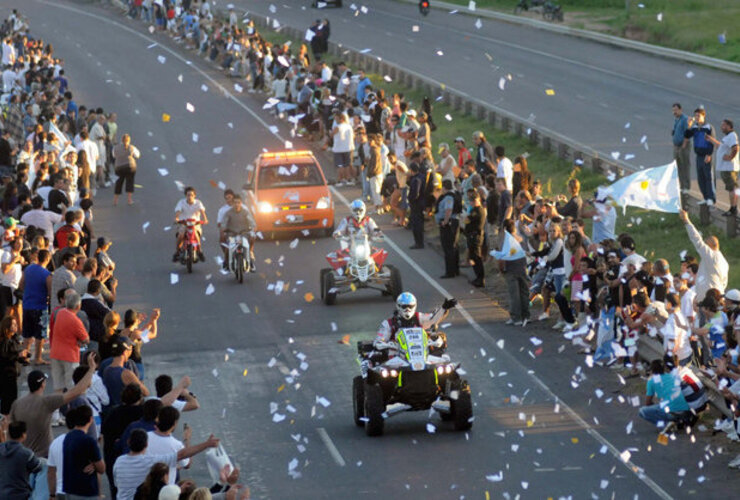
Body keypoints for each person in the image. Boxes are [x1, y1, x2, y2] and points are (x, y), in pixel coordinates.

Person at [113, 429, 219, 500]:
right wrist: (207, 444)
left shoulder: (119, 461)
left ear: (128, 442)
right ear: (146, 445)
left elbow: (117, 484)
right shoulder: (152, 461)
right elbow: (182, 454)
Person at [374, 293, 457, 353]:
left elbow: (433, 320)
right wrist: (390, 344)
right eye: (404, 307)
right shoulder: (388, 323)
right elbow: (378, 342)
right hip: (397, 356)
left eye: (410, 307)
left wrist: (444, 308)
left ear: (414, 306)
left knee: (441, 338)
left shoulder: (419, 317)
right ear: (398, 306)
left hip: (420, 353)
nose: (407, 309)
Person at [679, 209, 728, 301]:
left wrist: (686, 220)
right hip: (714, 298)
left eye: (706, 245)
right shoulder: (724, 262)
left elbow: (697, 240)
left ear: (709, 246)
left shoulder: (711, 256)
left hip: (709, 301)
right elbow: (724, 283)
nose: (704, 247)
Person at [61, 404, 104, 499]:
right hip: (86, 490)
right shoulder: (89, 441)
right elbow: (101, 469)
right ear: (90, 419)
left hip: (70, 488)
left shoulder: (68, 437)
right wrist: (94, 464)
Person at [49, 291, 89, 393]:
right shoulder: (75, 321)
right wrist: (80, 341)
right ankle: (71, 407)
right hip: (70, 356)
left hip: (55, 353)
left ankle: (57, 408)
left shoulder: (60, 313)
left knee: (58, 385)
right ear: (78, 306)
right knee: (72, 385)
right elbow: (86, 339)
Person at [20, 249, 52, 365]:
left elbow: (21, 284)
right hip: (40, 306)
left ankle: (25, 356)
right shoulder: (46, 274)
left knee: (26, 333)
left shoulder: (28, 269)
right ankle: (37, 357)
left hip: (27, 304)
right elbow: (50, 291)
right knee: (40, 334)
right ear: (47, 259)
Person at [638, 359, 690, 428]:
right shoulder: (672, 376)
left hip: (670, 412)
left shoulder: (651, 381)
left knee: (642, 411)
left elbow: (648, 403)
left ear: (652, 370)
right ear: (664, 368)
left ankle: (666, 425)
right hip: (685, 410)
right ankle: (678, 421)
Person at [146, 406, 189, 485]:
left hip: (146, 485)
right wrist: (186, 439)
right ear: (175, 423)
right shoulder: (177, 445)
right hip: (166, 490)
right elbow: (187, 464)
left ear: (158, 419)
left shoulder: (145, 437)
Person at [0, 421, 42, 500]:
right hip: (20, 494)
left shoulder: (1, 449)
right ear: (23, 435)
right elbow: (38, 467)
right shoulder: (26, 453)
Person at [706, 118, 739, 217]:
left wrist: (730, 157)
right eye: (722, 125)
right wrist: (711, 140)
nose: (722, 127)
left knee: (732, 188)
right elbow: (721, 147)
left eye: (724, 125)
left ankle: (733, 209)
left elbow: (735, 147)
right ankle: (733, 208)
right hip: (726, 168)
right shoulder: (728, 137)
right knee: (731, 188)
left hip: (728, 168)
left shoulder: (732, 135)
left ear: (730, 126)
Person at [684, 108, 716, 204]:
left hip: (707, 156)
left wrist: (709, 154)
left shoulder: (708, 127)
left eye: (699, 116)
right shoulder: (695, 127)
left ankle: (711, 198)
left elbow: (712, 141)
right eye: (695, 116)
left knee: (708, 177)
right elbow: (687, 136)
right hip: (699, 155)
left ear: (703, 116)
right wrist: (689, 126)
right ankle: (705, 197)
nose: (697, 118)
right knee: (700, 177)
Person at [220, 195, 256, 273]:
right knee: (229, 247)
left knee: (247, 246)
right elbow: (224, 223)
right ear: (232, 203)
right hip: (231, 234)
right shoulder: (228, 213)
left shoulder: (245, 212)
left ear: (241, 203)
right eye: (235, 203)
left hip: (244, 234)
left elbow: (252, 222)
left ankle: (251, 263)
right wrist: (223, 230)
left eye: (238, 203)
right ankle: (226, 263)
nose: (237, 204)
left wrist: (252, 229)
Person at [0, 316, 27, 416]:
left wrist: (22, 356)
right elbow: (4, 356)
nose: (16, 326)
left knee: (12, 401)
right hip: (7, 376)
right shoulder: (5, 341)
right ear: (7, 327)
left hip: (13, 374)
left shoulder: (14, 339)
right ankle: (5, 424)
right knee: (8, 404)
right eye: (14, 324)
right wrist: (18, 355)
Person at [173, 187, 208, 262]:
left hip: (195, 224)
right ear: (186, 195)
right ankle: (177, 251)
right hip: (184, 223)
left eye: (191, 195)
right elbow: (178, 211)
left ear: (194, 195)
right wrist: (177, 218)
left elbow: (202, 211)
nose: (190, 197)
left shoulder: (198, 203)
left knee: (196, 235)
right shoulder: (181, 202)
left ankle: (199, 251)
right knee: (181, 235)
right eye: (188, 195)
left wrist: (205, 219)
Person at [435, 180, 460, 279]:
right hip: (451, 223)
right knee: (452, 247)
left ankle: (450, 272)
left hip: (449, 224)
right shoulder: (450, 195)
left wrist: (445, 221)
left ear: (444, 188)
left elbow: (448, 209)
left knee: (448, 247)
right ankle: (454, 270)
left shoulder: (449, 197)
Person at [464, 189, 486, 288]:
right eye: (471, 200)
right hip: (472, 236)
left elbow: (467, 220)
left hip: (476, 236)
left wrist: (467, 220)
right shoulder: (475, 210)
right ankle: (478, 277)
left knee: (477, 258)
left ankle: (480, 278)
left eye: (474, 200)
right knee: (473, 257)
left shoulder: (478, 210)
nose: (472, 202)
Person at [112, 133, 141, 206]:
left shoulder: (116, 147)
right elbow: (137, 155)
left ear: (121, 140)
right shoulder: (131, 147)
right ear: (129, 140)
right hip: (130, 167)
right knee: (130, 182)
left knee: (119, 183)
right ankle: (129, 200)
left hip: (119, 167)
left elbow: (113, 155)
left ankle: (115, 200)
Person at [671, 103, 692, 196]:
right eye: (673, 110)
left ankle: (686, 187)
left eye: (676, 110)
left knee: (685, 166)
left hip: (683, 146)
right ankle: (681, 185)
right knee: (678, 166)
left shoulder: (684, 119)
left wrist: (683, 145)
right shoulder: (677, 119)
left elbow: (688, 132)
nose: (674, 112)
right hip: (676, 146)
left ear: (680, 110)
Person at [407, 163, 425, 249]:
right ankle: (420, 242)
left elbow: (415, 193)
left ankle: (418, 243)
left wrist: (411, 199)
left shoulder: (416, 180)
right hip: (421, 203)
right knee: (420, 223)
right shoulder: (422, 177)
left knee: (416, 224)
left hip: (416, 204)